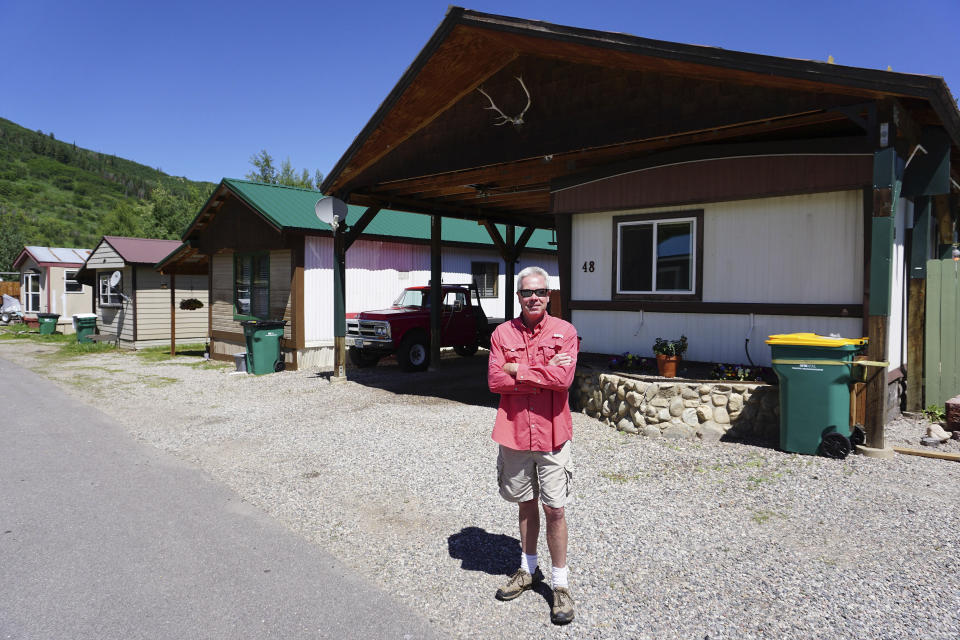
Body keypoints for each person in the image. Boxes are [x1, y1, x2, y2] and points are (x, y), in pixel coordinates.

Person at [487, 265, 578, 626]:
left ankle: (560, 585)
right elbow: (494, 380)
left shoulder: (565, 332)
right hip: (515, 435)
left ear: (549, 295)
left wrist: (518, 369)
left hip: (553, 434)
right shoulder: (501, 333)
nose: (534, 298)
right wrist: (541, 371)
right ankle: (528, 570)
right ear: (519, 296)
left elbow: (564, 378)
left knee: (554, 509)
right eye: (527, 293)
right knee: (526, 504)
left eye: (540, 292)